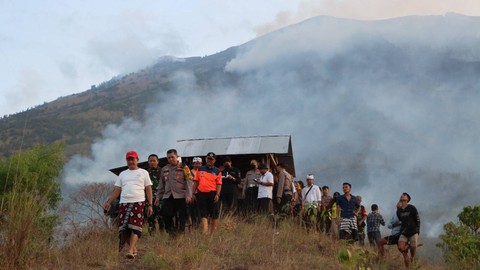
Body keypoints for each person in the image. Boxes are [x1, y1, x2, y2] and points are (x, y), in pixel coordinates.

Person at [103, 150, 153, 259]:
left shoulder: (144, 172)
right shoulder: (122, 174)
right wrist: (109, 202)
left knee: (136, 227)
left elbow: (148, 189)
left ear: (137, 160)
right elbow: (117, 190)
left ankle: (130, 251)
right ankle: (133, 247)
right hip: (124, 203)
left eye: (132, 159)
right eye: (128, 159)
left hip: (138, 202)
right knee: (123, 229)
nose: (131, 161)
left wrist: (150, 204)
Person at [155, 149, 193, 237]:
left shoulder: (184, 167)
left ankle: (180, 233)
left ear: (176, 157)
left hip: (181, 195)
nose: (171, 159)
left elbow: (189, 181)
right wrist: (158, 197)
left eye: (172, 157)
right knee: (165, 213)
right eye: (168, 158)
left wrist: (188, 195)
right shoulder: (165, 169)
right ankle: (171, 232)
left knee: (182, 216)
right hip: (168, 195)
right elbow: (161, 184)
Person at [192, 152, 222, 233]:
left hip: (213, 193)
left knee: (215, 213)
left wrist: (218, 194)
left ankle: (213, 232)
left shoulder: (217, 171)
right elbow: (196, 182)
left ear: (214, 160)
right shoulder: (200, 169)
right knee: (203, 213)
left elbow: (219, 184)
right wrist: (193, 193)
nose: (210, 160)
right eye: (208, 159)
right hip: (201, 194)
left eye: (211, 159)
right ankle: (205, 233)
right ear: (206, 159)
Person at [397, 192, 420, 269]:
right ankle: (408, 267)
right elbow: (400, 219)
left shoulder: (412, 208)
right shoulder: (399, 210)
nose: (402, 195)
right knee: (401, 248)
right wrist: (398, 208)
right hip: (404, 232)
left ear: (407, 199)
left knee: (413, 253)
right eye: (401, 195)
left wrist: (418, 232)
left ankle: (412, 258)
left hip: (413, 232)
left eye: (404, 195)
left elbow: (417, 220)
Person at [146, 154, 164, 235]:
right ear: (148, 162)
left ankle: (162, 233)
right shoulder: (145, 173)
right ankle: (152, 235)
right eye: (150, 161)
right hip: (149, 198)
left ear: (158, 161)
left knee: (162, 216)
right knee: (150, 217)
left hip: (160, 197)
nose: (152, 162)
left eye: (154, 160)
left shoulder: (162, 171)